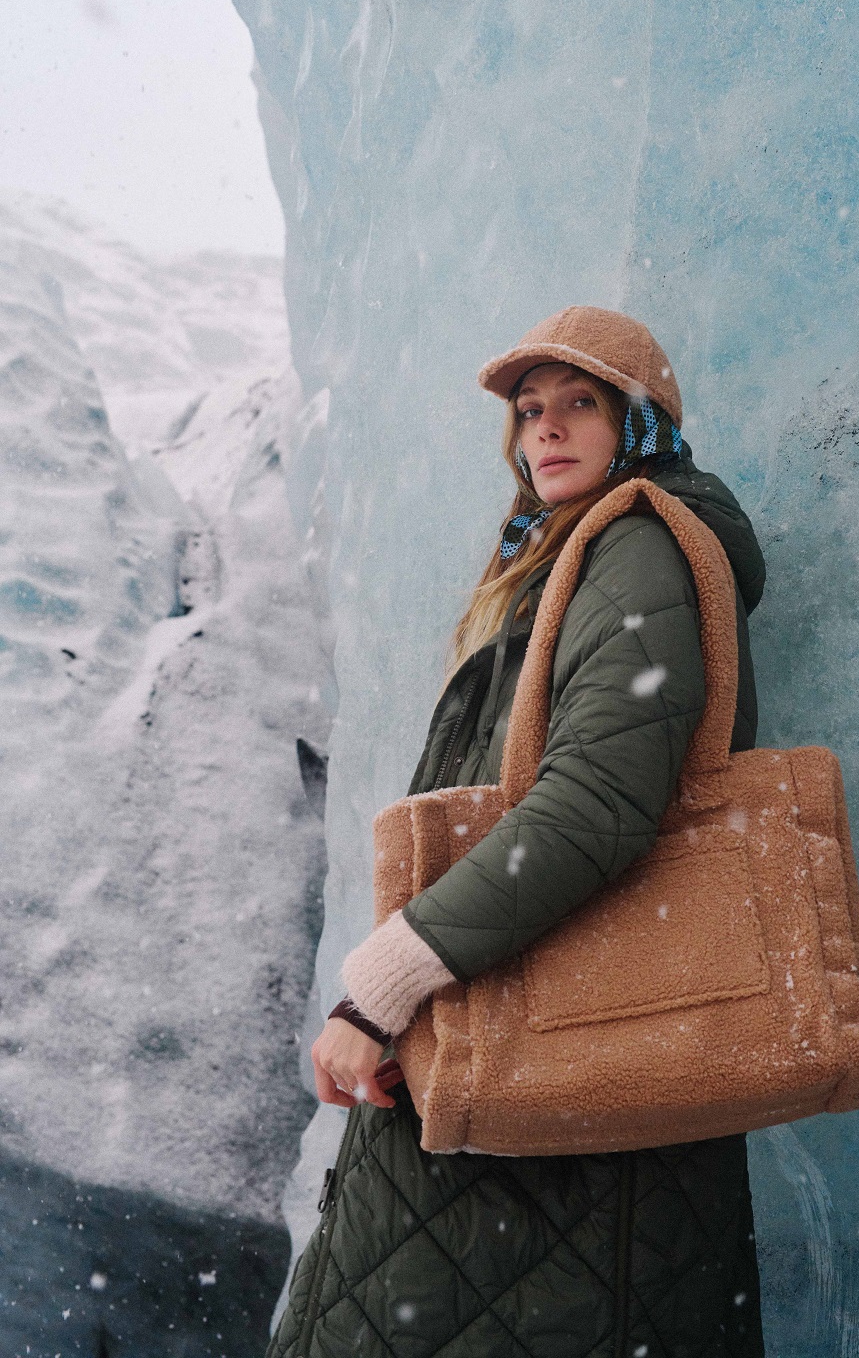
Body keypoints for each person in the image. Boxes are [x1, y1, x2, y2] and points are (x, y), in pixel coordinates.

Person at [269, 307, 768, 1358]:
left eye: (581, 402)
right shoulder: (573, 558)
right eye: (530, 410)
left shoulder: (635, 547)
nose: (546, 426)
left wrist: (385, 984)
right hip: (540, 1057)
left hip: (560, 1068)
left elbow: (597, 804)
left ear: (640, 424)